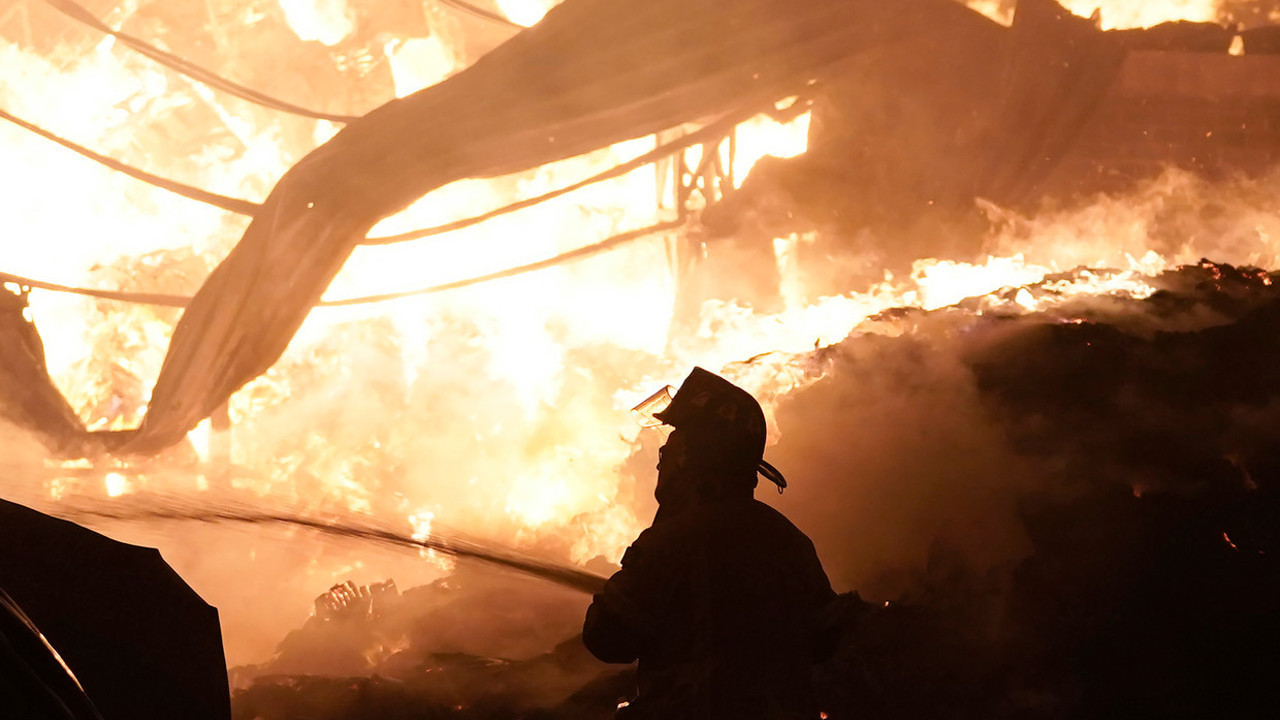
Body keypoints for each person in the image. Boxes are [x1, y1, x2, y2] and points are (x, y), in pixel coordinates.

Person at [583, 367, 837, 720]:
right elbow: (825, 639)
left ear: (695, 457)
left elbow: (607, 638)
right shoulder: (788, 539)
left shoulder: (673, 541)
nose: (661, 464)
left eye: (671, 449)